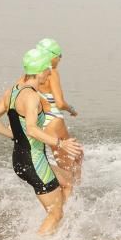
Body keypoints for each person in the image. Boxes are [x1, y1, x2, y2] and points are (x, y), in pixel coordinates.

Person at [0, 48, 83, 236]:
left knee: (68, 182)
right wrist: (60, 143)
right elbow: (32, 129)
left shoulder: (12, 92)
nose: (49, 73)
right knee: (55, 213)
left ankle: (61, 230)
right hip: (34, 161)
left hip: (20, 159)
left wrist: (14, 135)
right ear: (40, 71)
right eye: (47, 69)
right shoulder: (32, 96)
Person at [36, 38, 82, 191]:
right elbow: (60, 103)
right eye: (59, 55)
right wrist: (72, 110)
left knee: (78, 154)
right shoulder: (51, 72)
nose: (60, 59)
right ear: (51, 56)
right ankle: (68, 202)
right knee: (68, 166)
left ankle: (74, 193)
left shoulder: (30, 74)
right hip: (54, 121)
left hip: (42, 122)